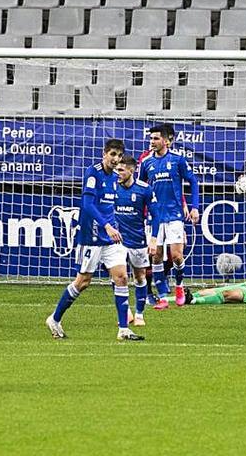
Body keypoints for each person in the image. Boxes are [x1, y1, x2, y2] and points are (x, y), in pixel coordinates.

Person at [45, 139, 144, 341]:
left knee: (122, 278)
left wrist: (114, 225)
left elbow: (109, 206)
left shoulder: (115, 178)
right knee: (83, 282)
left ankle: (124, 329)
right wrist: (106, 225)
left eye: (119, 155)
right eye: (113, 154)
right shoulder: (93, 173)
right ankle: (54, 319)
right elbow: (87, 204)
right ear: (104, 154)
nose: (116, 159)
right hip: (90, 236)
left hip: (110, 238)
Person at [139, 124, 200, 309]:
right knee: (156, 256)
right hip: (154, 217)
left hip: (174, 215)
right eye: (151, 139)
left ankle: (180, 285)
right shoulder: (146, 162)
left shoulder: (178, 160)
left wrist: (194, 207)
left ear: (166, 141)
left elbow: (193, 181)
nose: (152, 142)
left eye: (156, 138)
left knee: (176, 256)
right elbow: (141, 187)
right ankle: (163, 296)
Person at [114, 155, 154, 326]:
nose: (118, 173)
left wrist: (153, 238)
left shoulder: (144, 189)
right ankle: (126, 313)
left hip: (138, 240)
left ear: (132, 170)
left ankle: (139, 314)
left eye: (121, 170)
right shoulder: (112, 187)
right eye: (116, 170)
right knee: (117, 277)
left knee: (140, 277)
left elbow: (156, 214)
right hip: (117, 242)